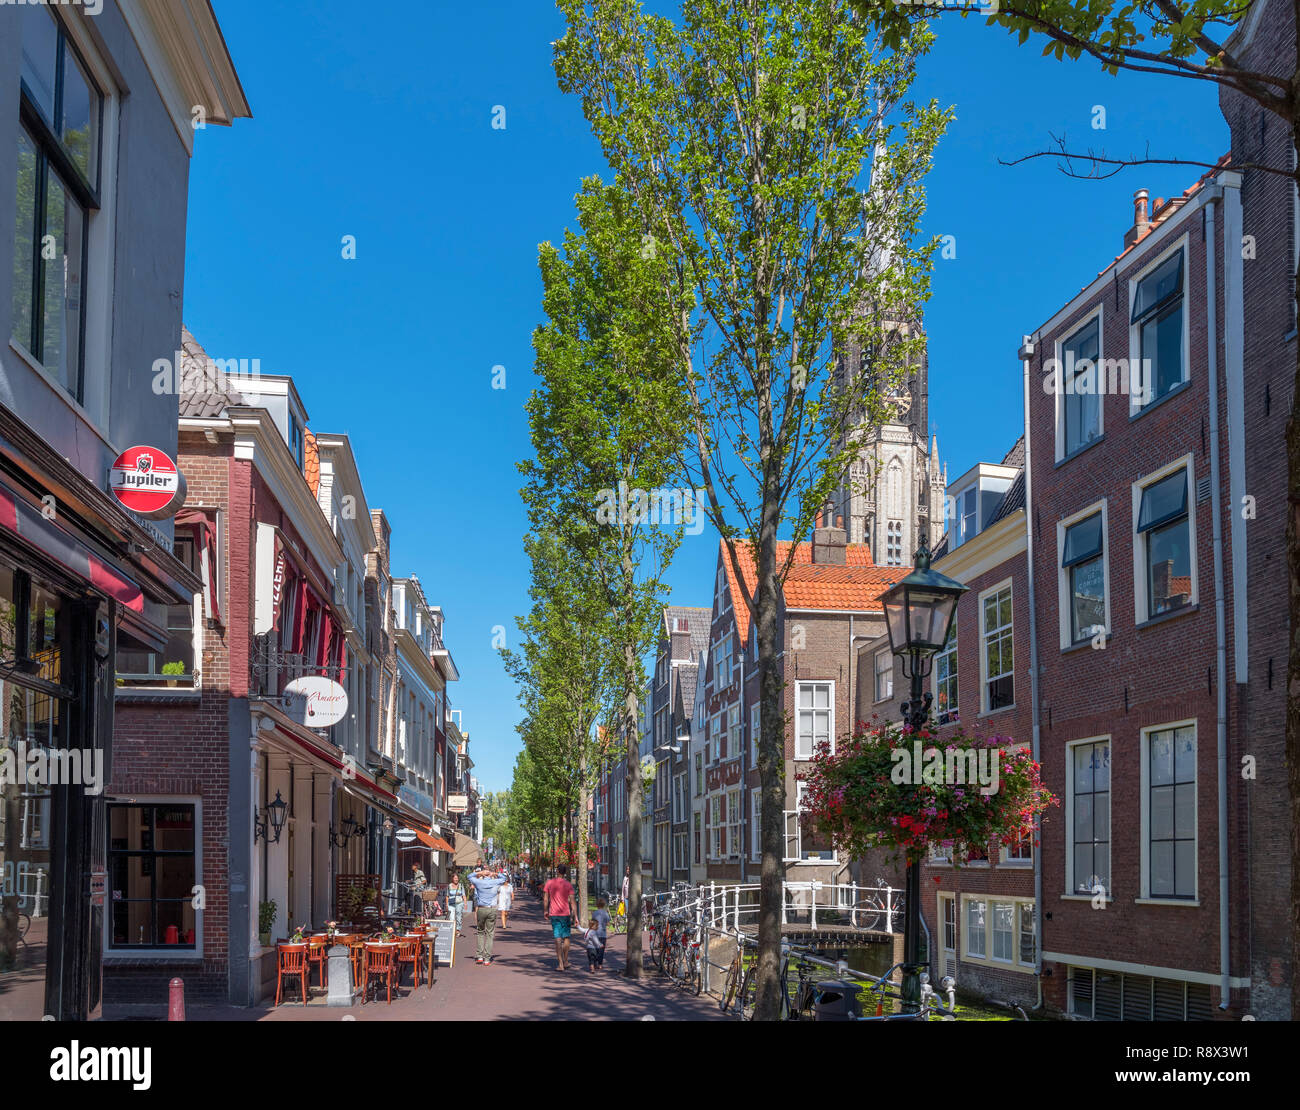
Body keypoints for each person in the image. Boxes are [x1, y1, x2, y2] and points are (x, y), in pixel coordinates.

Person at [466, 865, 506, 965]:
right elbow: (504, 878)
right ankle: (487, 958)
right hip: (492, 909)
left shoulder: (479, 882)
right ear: (490, 874)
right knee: (489, 934)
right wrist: (496, 874)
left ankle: (479, 956)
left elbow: (469, 876)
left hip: (481, 909)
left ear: (484, 874)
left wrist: (479, 873)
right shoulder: (495, 882)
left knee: (480, 932)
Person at [542, 864, 576, 971]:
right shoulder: (568, 885)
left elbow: (546, 899)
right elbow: (573, 902)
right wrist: (575, 916)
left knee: (557, 938)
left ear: (557, 871)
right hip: (565, 914)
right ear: (565, 872)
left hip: (554, 914)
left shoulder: (549, 883)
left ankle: (560, 964)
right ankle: (566, 960)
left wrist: (546, 910)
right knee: (566, 937)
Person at [446, 868, 466, 937]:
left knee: (459, 917)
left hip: (459, 903)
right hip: (451, 903)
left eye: (457, 878)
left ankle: (458, 930)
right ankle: (452, 931)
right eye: (455, 878)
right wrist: (446, 904)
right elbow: (447, 896)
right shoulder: (449, 886)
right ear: (452, 879)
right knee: (451, 918)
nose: (456, 879)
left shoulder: (461, 885)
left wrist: (465, 903)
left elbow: (463, 895)